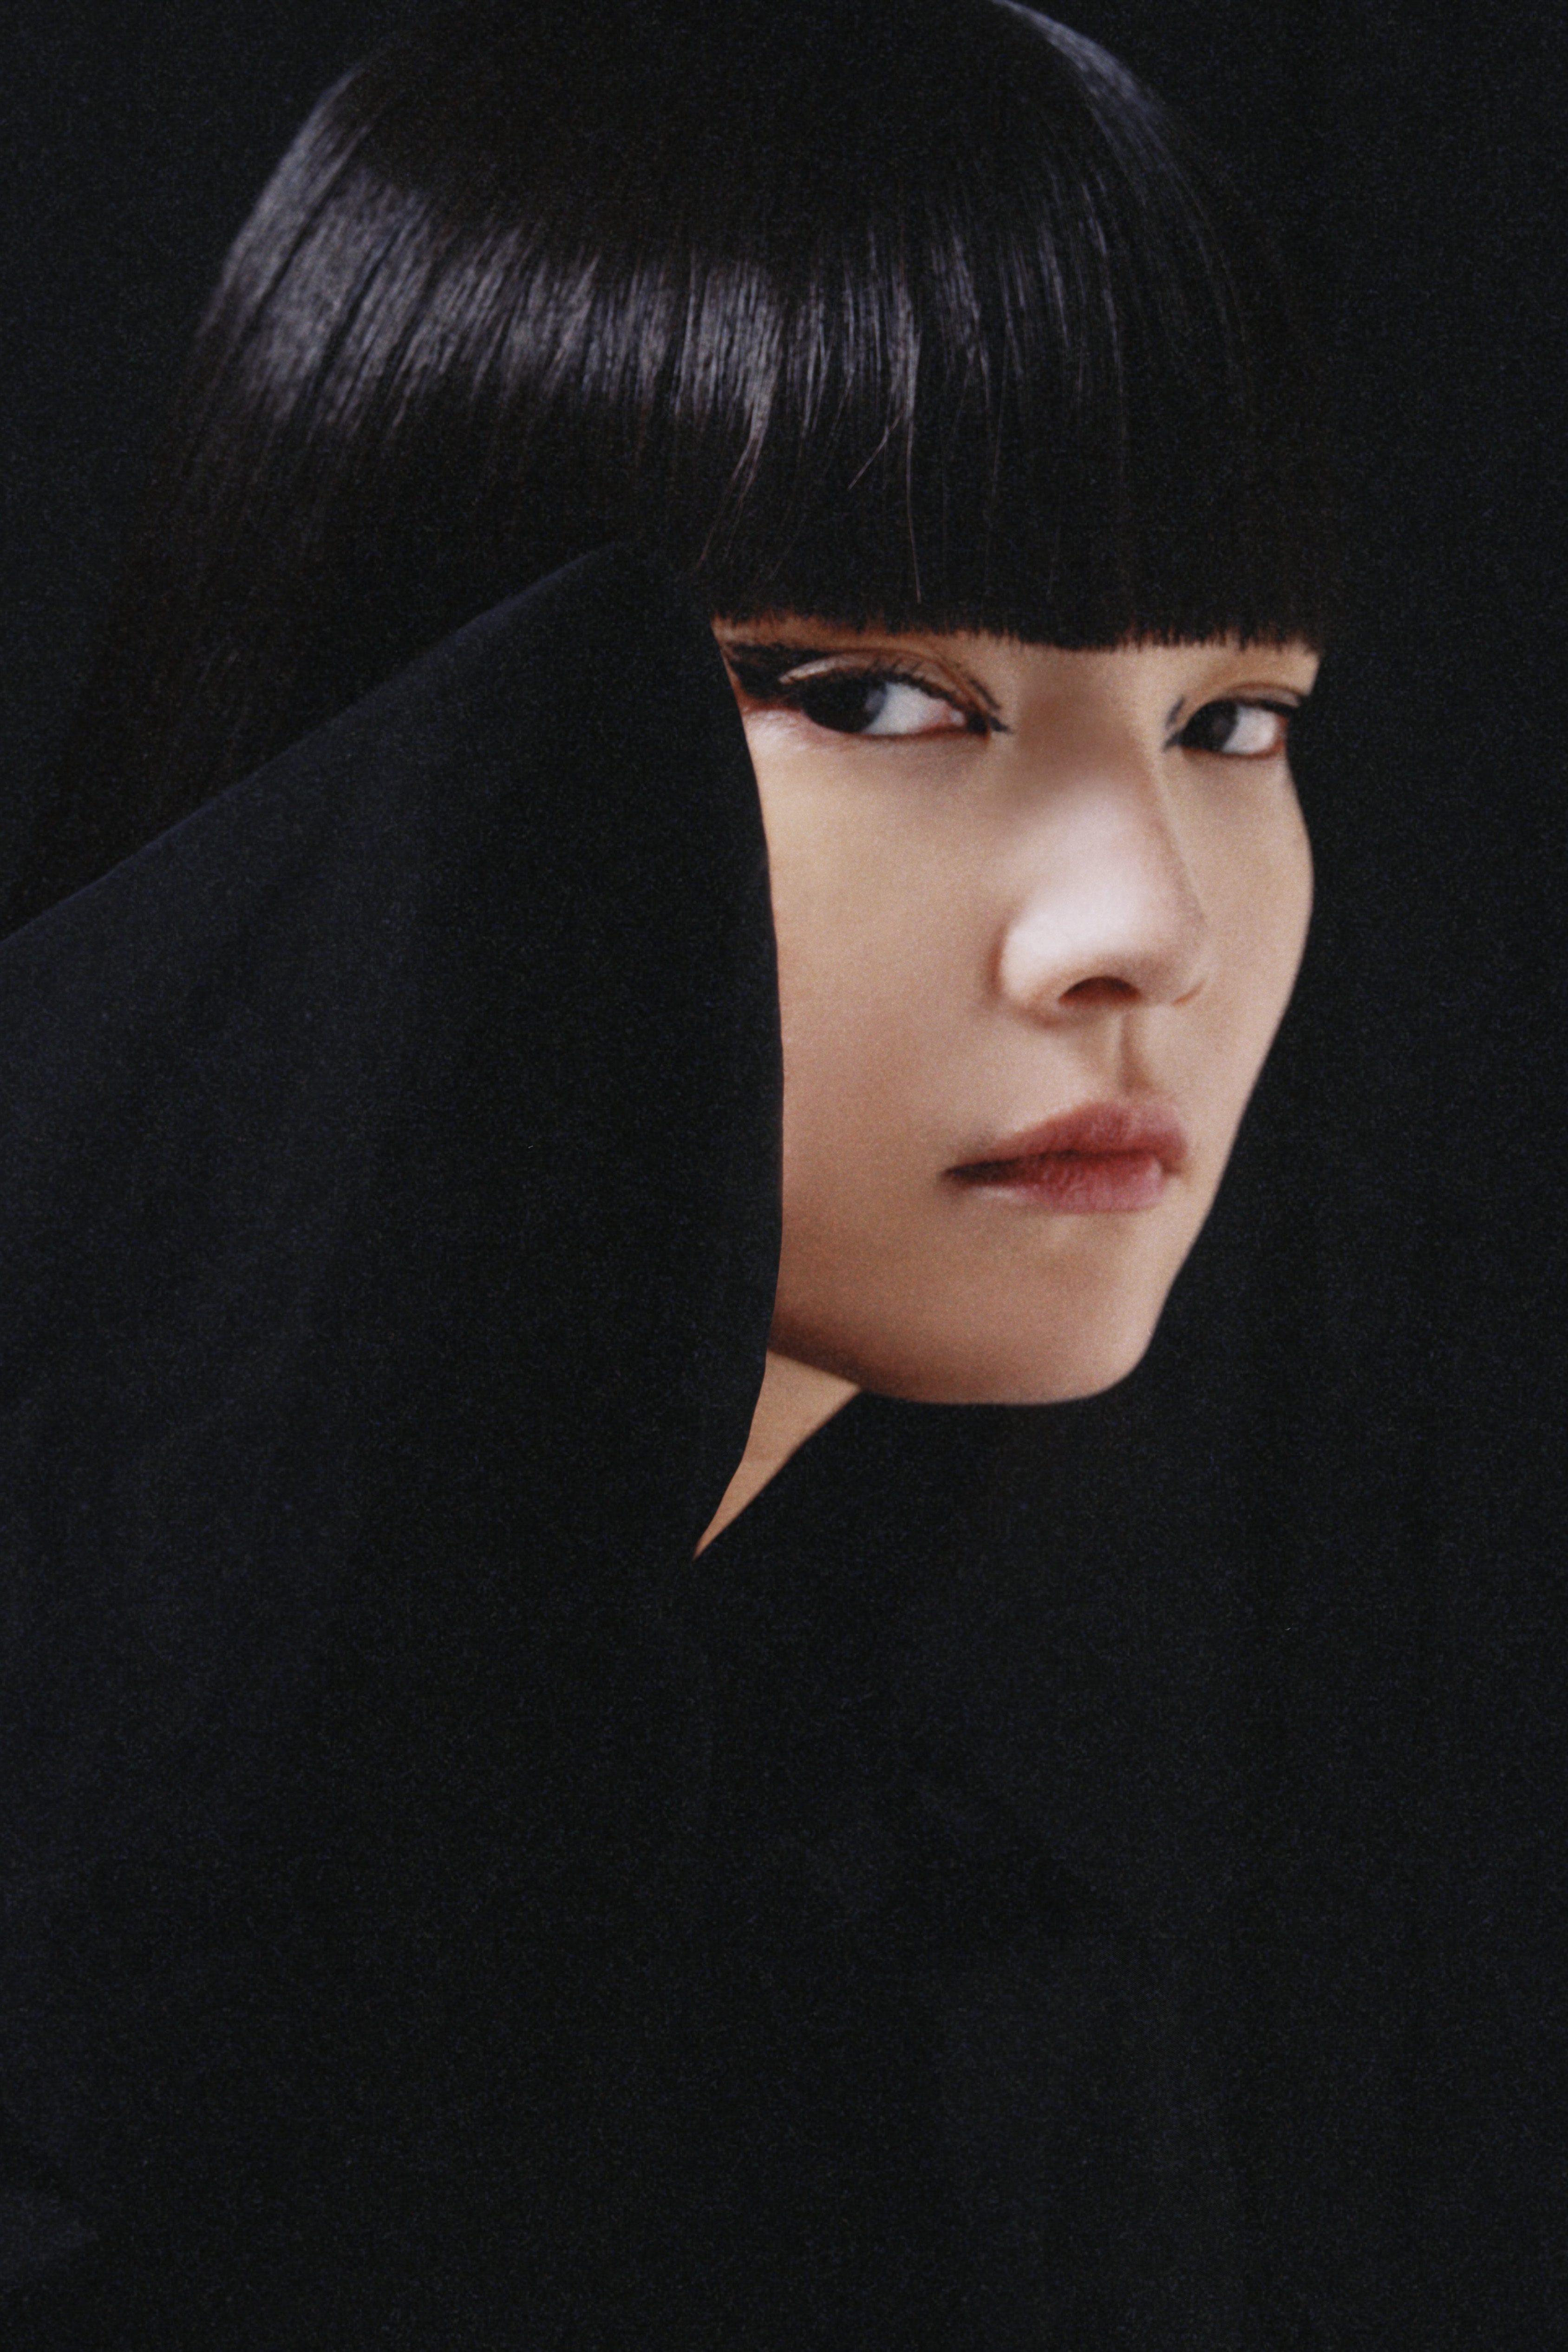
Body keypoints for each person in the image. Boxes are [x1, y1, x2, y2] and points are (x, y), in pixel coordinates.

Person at [0, 2, 1340, 2342]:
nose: (1146, 926)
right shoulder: (134, 1980)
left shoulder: (949, 2020)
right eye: (873, 696)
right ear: (404, 712)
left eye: (1234, 720)